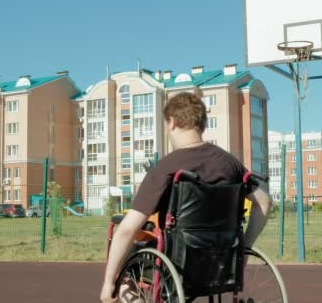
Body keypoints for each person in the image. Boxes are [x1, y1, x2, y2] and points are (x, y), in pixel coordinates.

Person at [100, 92, 273, 303]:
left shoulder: (167, 166)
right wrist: (244, 248)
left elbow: (128, 228)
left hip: (177, 262)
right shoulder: (231, 163)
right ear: (201, 124)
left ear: (172, 122)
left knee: (125, 277)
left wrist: (109, 282)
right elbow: (264, 202)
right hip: (222, 261)